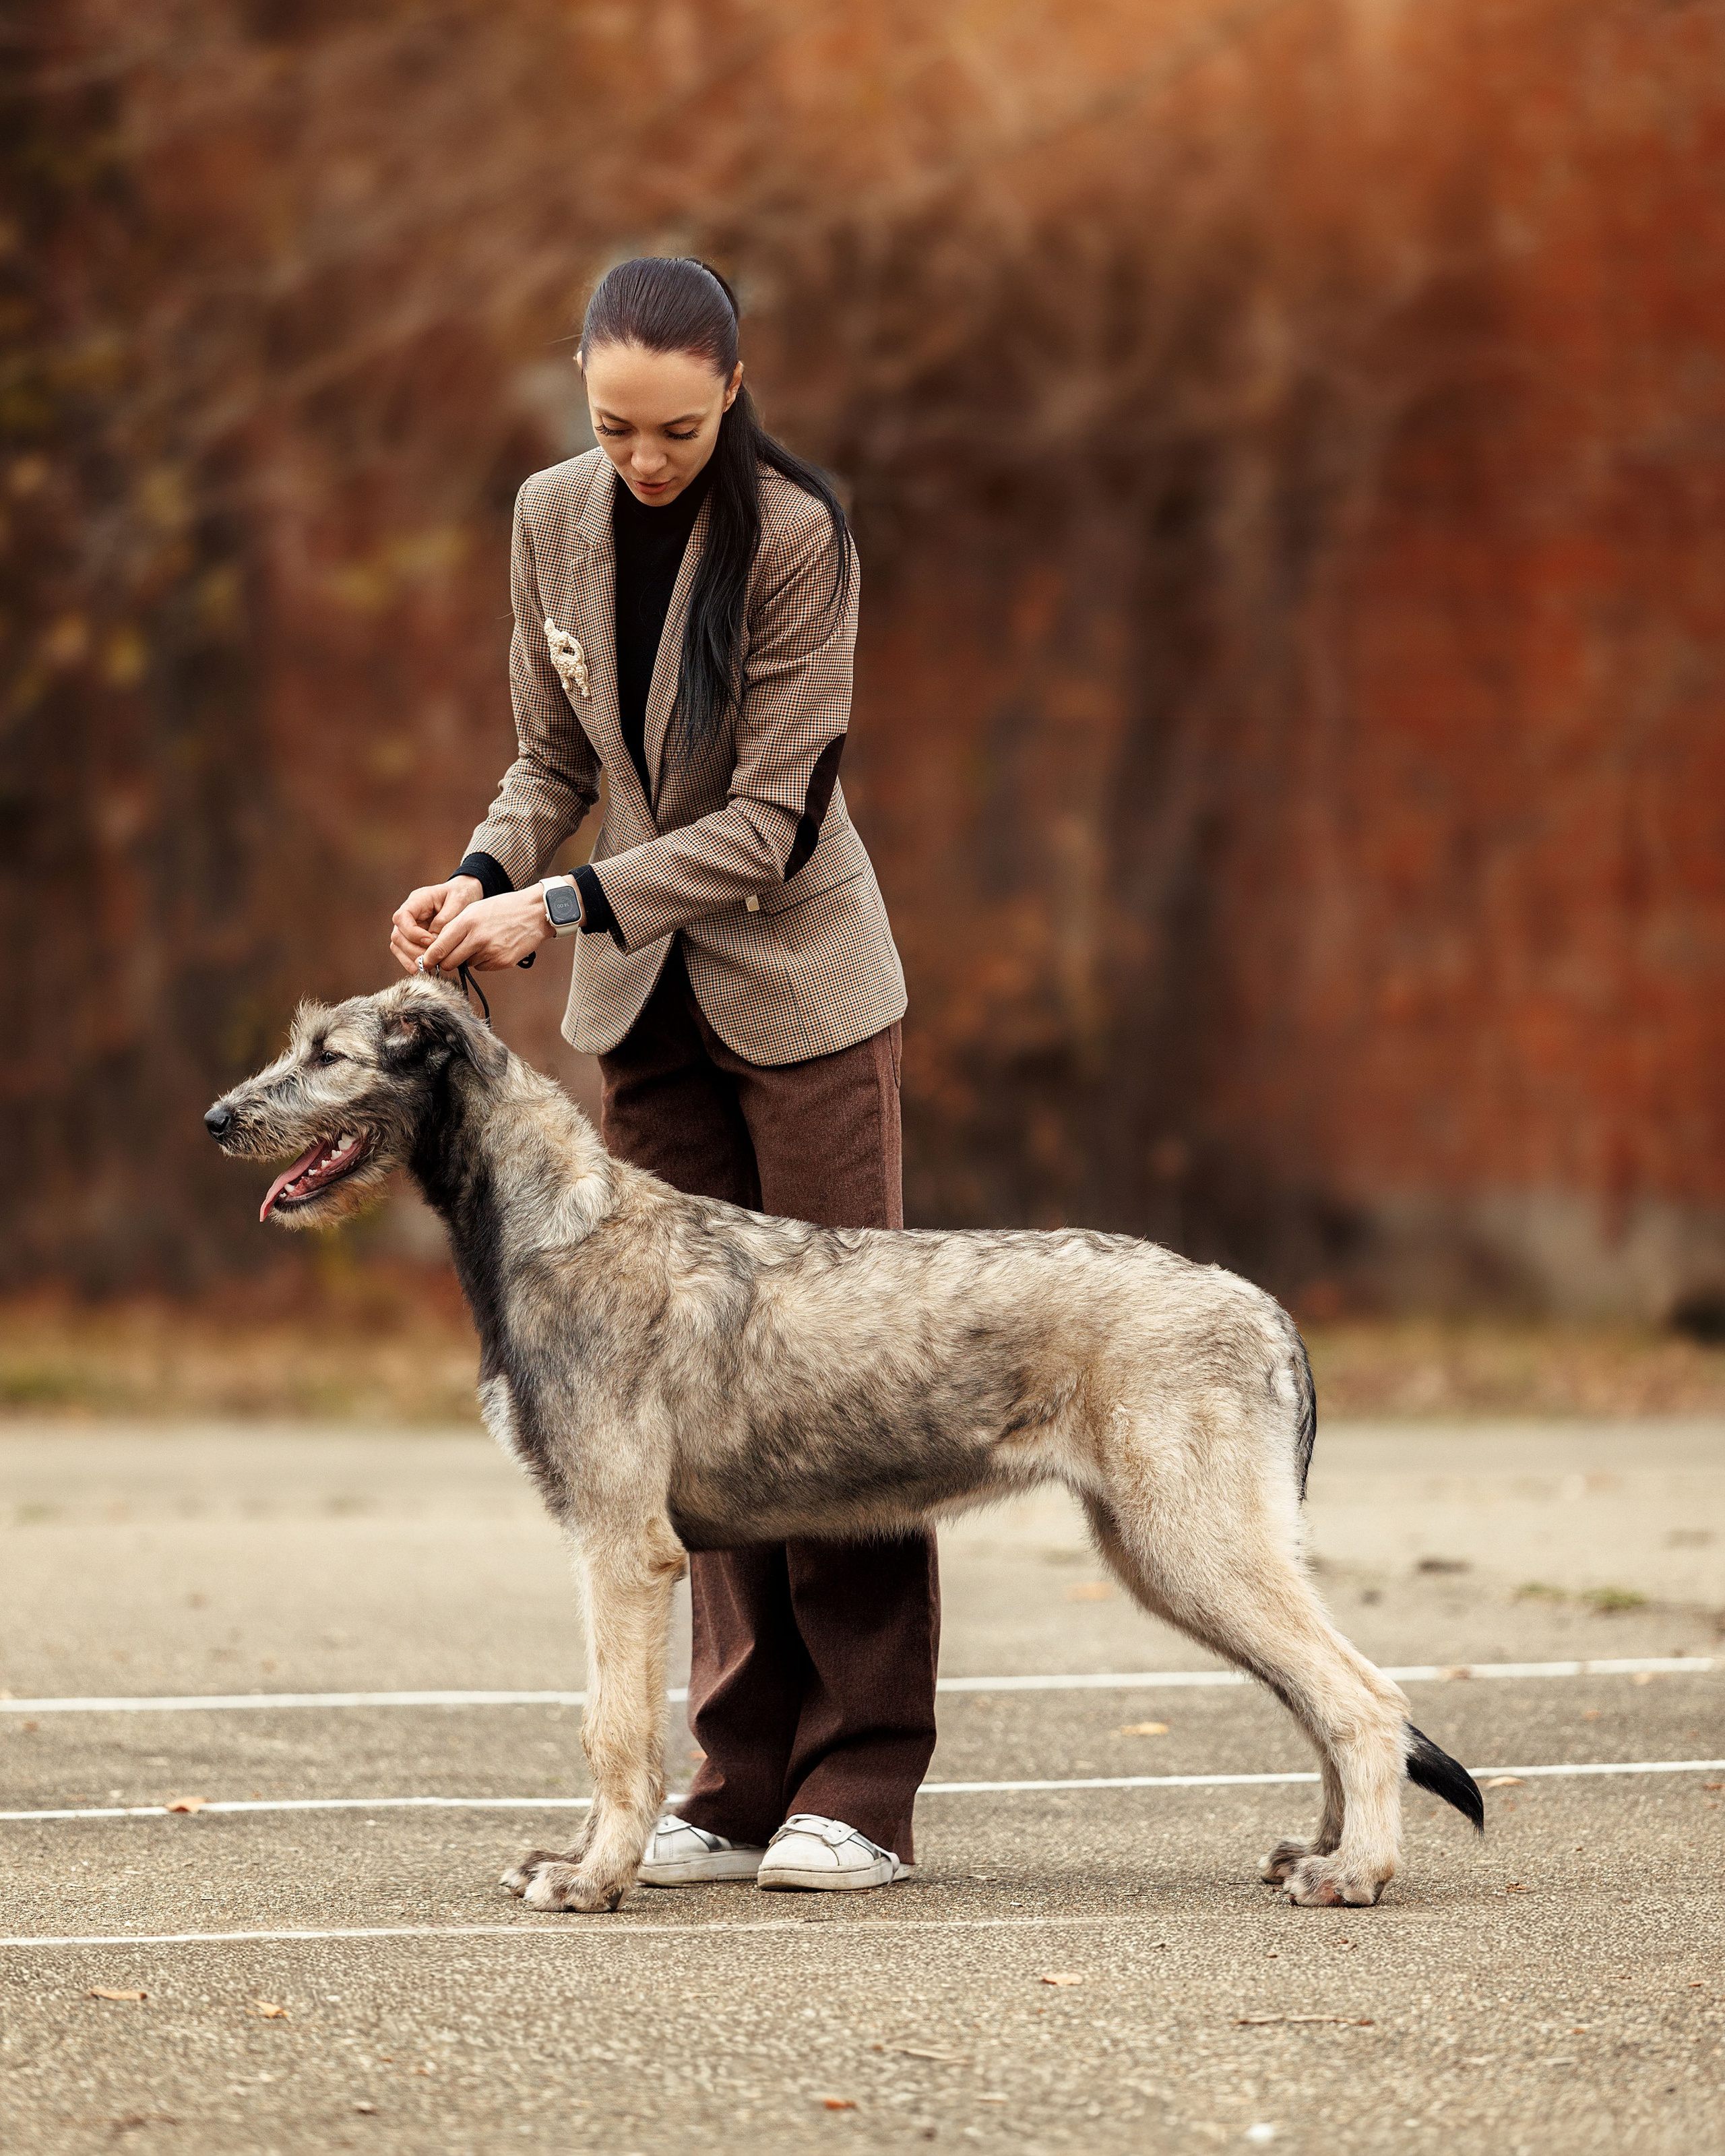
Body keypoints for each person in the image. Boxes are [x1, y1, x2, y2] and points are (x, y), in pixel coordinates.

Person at [389, 256, 937, 1893]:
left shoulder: (796, 536)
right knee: (672, 1401)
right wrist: (477, 871)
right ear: (579, 383)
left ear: (734, 391)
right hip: (645, 1013)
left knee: (843, 1378)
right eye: (614, 424)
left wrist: (555, 905)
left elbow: (768, 824)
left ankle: (863, 1781)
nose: (640, 459)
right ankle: (736, 1774)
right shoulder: (548, 513)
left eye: (677, 431)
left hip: (802, 993)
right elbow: (551, 756)